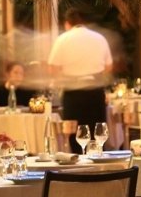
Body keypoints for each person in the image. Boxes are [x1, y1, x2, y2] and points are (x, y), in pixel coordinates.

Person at [48, 8, 113, 149]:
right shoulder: (99, 38)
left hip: (73, 92)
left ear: (67, 23)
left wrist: (64, 78)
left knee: (75, 136)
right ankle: (98, 162)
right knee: (97, 134)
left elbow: (52, 68)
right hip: (95, 91)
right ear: (84, 22)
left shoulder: (63, 39)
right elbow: (109, 66)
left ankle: (78, 161)